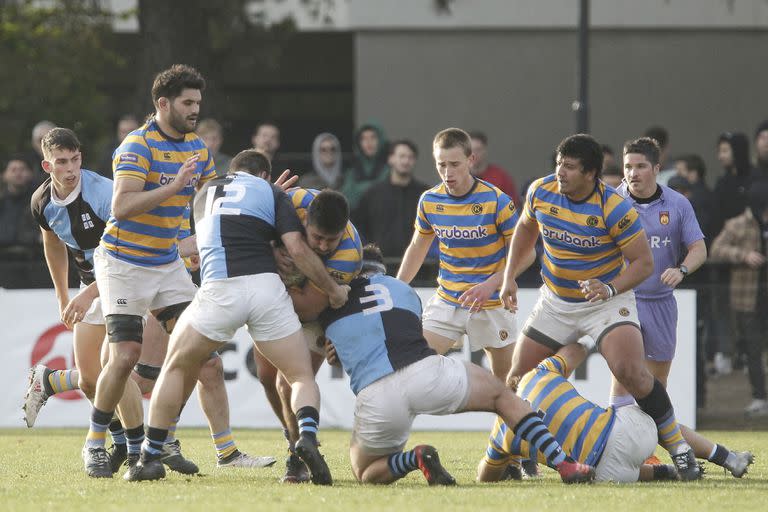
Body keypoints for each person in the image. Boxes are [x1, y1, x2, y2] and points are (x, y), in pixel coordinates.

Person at [25, 128, 277, 473]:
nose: (70, 169)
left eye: (75, 160)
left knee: (195, 363)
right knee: (95, 379)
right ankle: (134, 442)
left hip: (133, 277)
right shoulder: (42, 202)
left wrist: (186, 246)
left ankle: (204, 450)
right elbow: (52, 241)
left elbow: (125, 250)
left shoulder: (101, 193)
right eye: (62, 162)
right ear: (46, 165)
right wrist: (62, 294)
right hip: (98, 285)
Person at [123, 149, 349, 484]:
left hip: (218, 289)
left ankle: (151, 456)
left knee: (174, 366)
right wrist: (332, 289)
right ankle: (307, 437)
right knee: (300, 376)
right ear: (263, 176)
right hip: (265, 289)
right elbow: (298, 249)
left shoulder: (203, 194)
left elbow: (208, 238)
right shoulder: (271, 193)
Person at [500, 133, 701, 481]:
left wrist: (608, 288)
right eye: (559, 164)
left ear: (592, 173)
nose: (560, 172)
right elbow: (524, 230)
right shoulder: (541, 191)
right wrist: (508, 278)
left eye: (570, 167)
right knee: (517, 379)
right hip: (557, 301)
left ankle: (680, 450)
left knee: (632, 372)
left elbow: (643, 264)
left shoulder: (614, 207)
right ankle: (521, 456)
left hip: (605, 302)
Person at [320, 244, 595, 485]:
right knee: (503, 395)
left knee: (366, 471)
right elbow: (400, 332)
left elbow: (346, 346)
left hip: (377, 394)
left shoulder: (330, 301)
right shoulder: (402, 291)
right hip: (425, 373)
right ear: (382, 270)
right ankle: (564, 463)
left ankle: (414, 458)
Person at [81, 64, 221, 478]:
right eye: (187, 102)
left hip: (166, 264)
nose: (195, 110)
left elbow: (211, 201)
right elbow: (121, 207)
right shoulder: (136, 145)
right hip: (123, 262)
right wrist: (174, 187)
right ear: (163, 104)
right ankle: (95, 444)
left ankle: (158, 444)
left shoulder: (198, 148)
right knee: (124, 355)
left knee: (203, 357)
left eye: (198, 102)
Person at [614, 138, 749, 470]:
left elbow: (699, 249)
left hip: (661, 306)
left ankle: (718, 457)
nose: (633, 173)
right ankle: (661, 461)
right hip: (623, 305)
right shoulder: (611, 202)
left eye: (641, 166)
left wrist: (682, 269)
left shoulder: (677, 205)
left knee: (654, 405)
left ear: (657, 169)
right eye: (628, 166)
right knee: (621, 401)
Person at [477, 343, 754, 482]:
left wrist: (507, 455)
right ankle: (724, 457)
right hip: (627, 434)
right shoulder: (538, 374)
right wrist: (596, 332)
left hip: (605, 475)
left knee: (600, 461)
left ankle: (665, 472)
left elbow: (485, 477)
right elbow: (577, 349)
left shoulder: (501, 434)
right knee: (651, 410)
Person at [397, 128, 528, 381]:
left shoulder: (497, 201)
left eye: (455, 164)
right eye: (441, 165)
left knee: (509, 383)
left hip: (491, 303)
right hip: (448, 300)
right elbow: (417, 248)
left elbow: (526, 255)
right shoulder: (429, 201)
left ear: (471, 160)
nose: (448, 172)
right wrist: (397, 288)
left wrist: (490, 285)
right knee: (412, 369)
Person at [256, 183, 363, 483]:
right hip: (282, 294)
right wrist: (269, 251)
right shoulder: (295, 200)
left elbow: (306, 309)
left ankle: (298, 455)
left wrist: (269, 272)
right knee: (266, 377)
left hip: (318, 309)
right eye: (317, 238)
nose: (325, 246)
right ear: (303, 220)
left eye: (332, 239)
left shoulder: (348, 254)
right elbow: (250, 223)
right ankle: (296, 437)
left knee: (288, 381)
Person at [710, 182, 768, 416]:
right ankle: (759, 397)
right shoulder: (738, 224)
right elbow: (715, 250)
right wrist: (743, 255)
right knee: (752, 349)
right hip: (749, 298)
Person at [353, 139, 429, 258]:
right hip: (382, 264)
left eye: (410, 157)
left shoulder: (425, 194)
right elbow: (357, 227)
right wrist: (369, 251)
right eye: (402, 156)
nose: (406, 161)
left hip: (419, 265)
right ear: (391, 159)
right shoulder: (373, 194)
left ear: (414, 161)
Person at [340, 122, 389, 210]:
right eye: (364, 138)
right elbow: (347, 199)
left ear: (380, 140)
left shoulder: (389, 168)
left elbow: (385, 196)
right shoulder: (352, 171)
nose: (368, 142)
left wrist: (358, 189)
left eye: (373, 137)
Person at [0, 155, 39, 259]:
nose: (18, 173)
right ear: (4, 175)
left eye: (22, 169)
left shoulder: (39, 202)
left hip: (33, 258)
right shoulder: (2, 202)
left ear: (31, 174)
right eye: (13, 170)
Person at [469, 131, 521, 206]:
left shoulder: (501, 177)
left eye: (478, 150)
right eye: (471, 150)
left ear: (485, 151)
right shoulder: (458, 178)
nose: (474, 154)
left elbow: (513, 205)